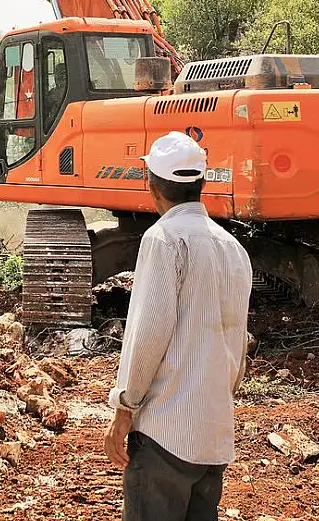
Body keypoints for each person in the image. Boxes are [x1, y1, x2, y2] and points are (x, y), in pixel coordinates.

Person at [103, 131, 253, 521]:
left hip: (165, 434)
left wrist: (125, 407)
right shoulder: (233, 248)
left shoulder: (164, 240)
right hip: (213, 438)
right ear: (201, 184)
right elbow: (238, 341)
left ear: (150, 185)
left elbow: (148, 334)